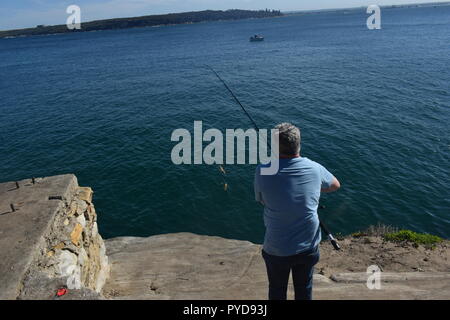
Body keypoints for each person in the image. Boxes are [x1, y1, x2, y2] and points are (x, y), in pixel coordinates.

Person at [254, 122, 340, 300]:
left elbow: (261, 200)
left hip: (276, 248)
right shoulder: (315, 168)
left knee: (277, 290)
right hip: (307, 246)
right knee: (304, 288)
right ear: (298, 144)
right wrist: (315, 189)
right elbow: (335, 185)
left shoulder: (263, 170)